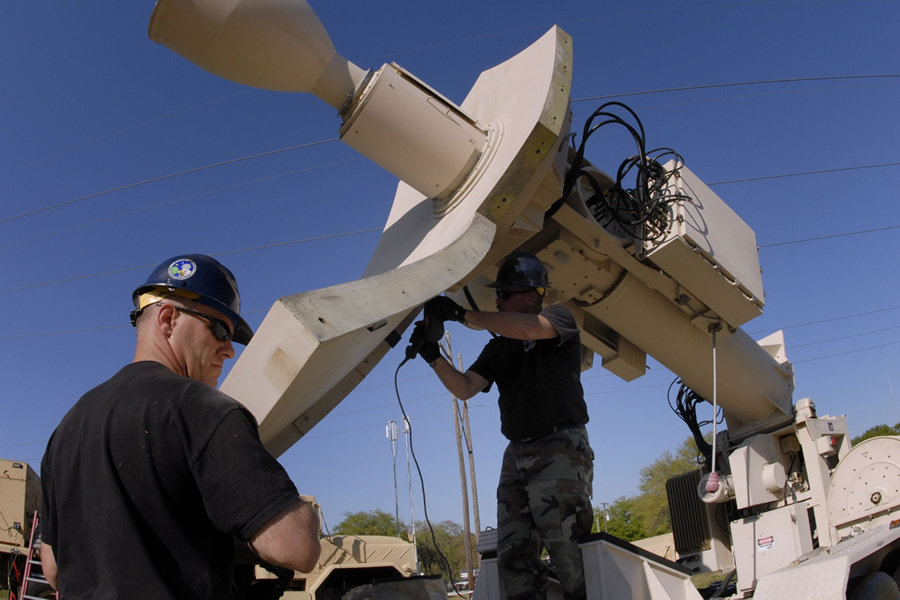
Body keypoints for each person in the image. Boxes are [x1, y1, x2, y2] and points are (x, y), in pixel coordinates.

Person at [40, 254, 321, 599]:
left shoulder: (66, 430)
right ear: (169, 319)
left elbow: (52, 569)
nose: (229, 350)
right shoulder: (202, 409)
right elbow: (297, 547)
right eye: (219, 330)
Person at [416, 252, 594, 600]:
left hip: (558, 446)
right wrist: (432, 356)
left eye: (504, 293)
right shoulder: (498, 348)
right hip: (517, 455)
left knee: (569, 553)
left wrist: (462, 315)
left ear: (532, 294)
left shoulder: (557, 318)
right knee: (515, 557)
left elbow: (529, 328)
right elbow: (466, 388)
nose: (497, 300)